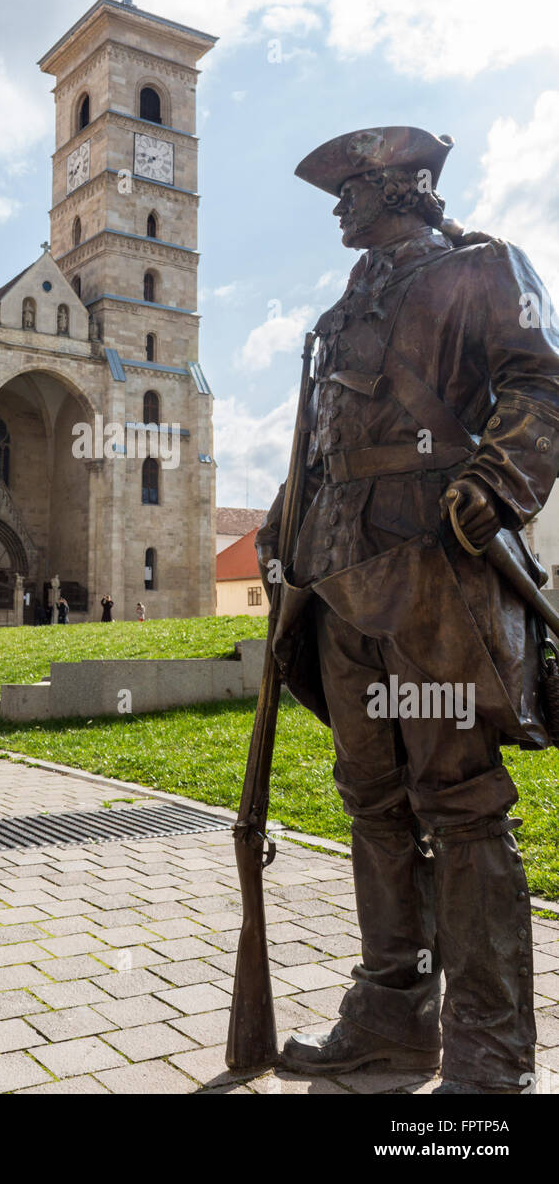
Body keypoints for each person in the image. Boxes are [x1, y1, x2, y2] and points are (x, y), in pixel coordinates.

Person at [256, 126, 559, 1095]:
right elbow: (321, 439)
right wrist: (278, 531)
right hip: (337, 576)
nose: (339, 205)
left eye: (351, 187)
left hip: (427, 575)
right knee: (372, 802)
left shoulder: (479, 269)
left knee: (458, 806)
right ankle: (389, 1019)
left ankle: (488, 1051)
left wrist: (498, 476)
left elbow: (539, 377)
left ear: (402, 188)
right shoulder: (340, 308)